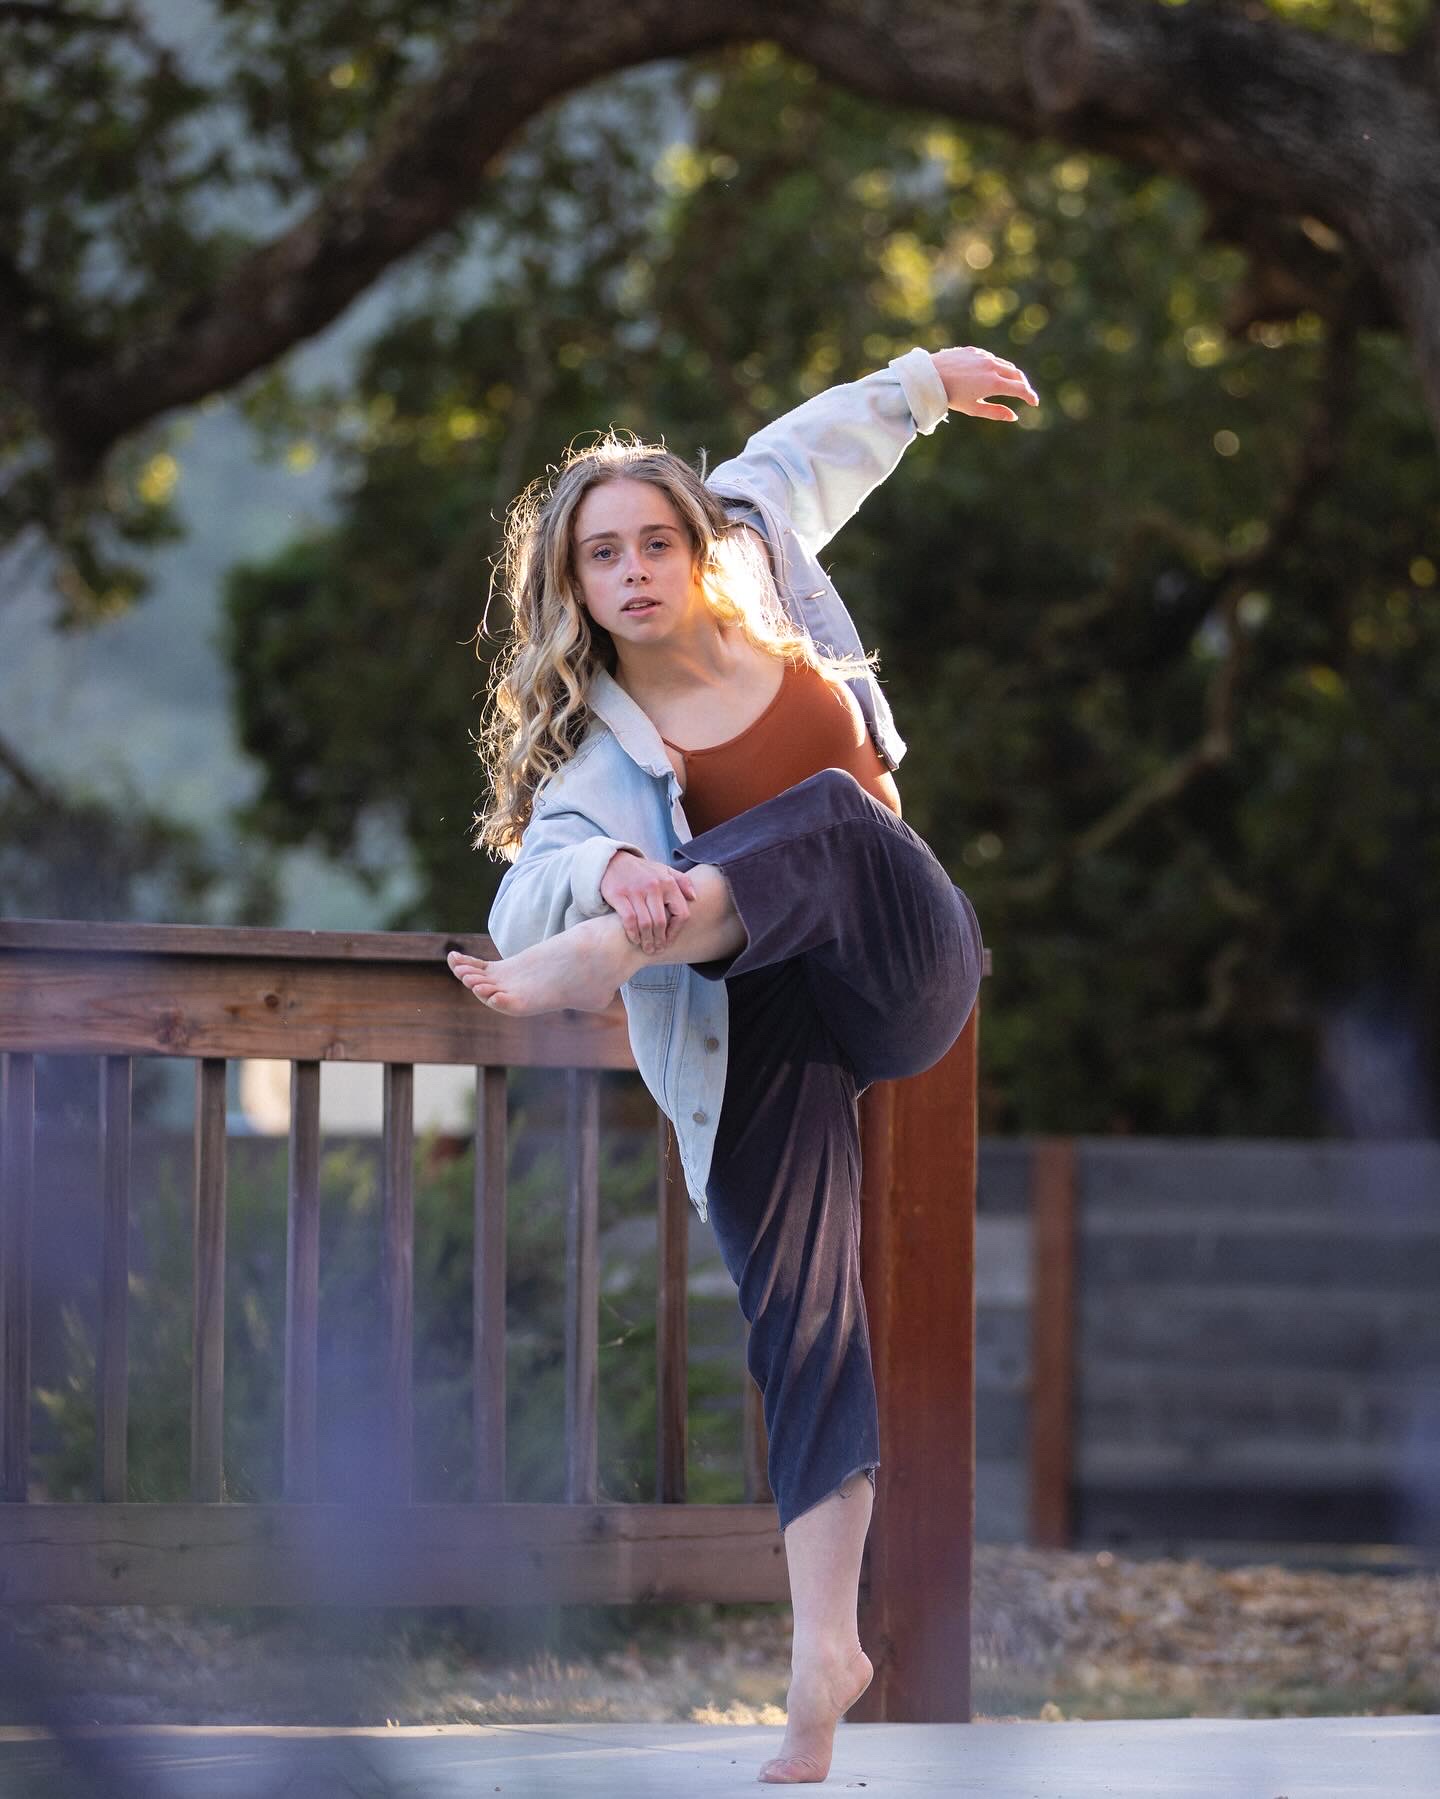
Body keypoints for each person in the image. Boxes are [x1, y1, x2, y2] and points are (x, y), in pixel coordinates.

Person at [449, 344, 1037, 1784]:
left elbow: (807, 452)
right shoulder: (596, 756)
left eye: (656, 541)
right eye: (603, 556)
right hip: (757, 1015)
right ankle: (823, 1654)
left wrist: (920, 384)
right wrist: (612, 874)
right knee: (799, 1321)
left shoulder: (763, 562)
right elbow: (527, 891)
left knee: (834, 811)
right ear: (574, 587)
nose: (636, 571)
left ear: (698, 544)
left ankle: (627, 947)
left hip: (899, 959)